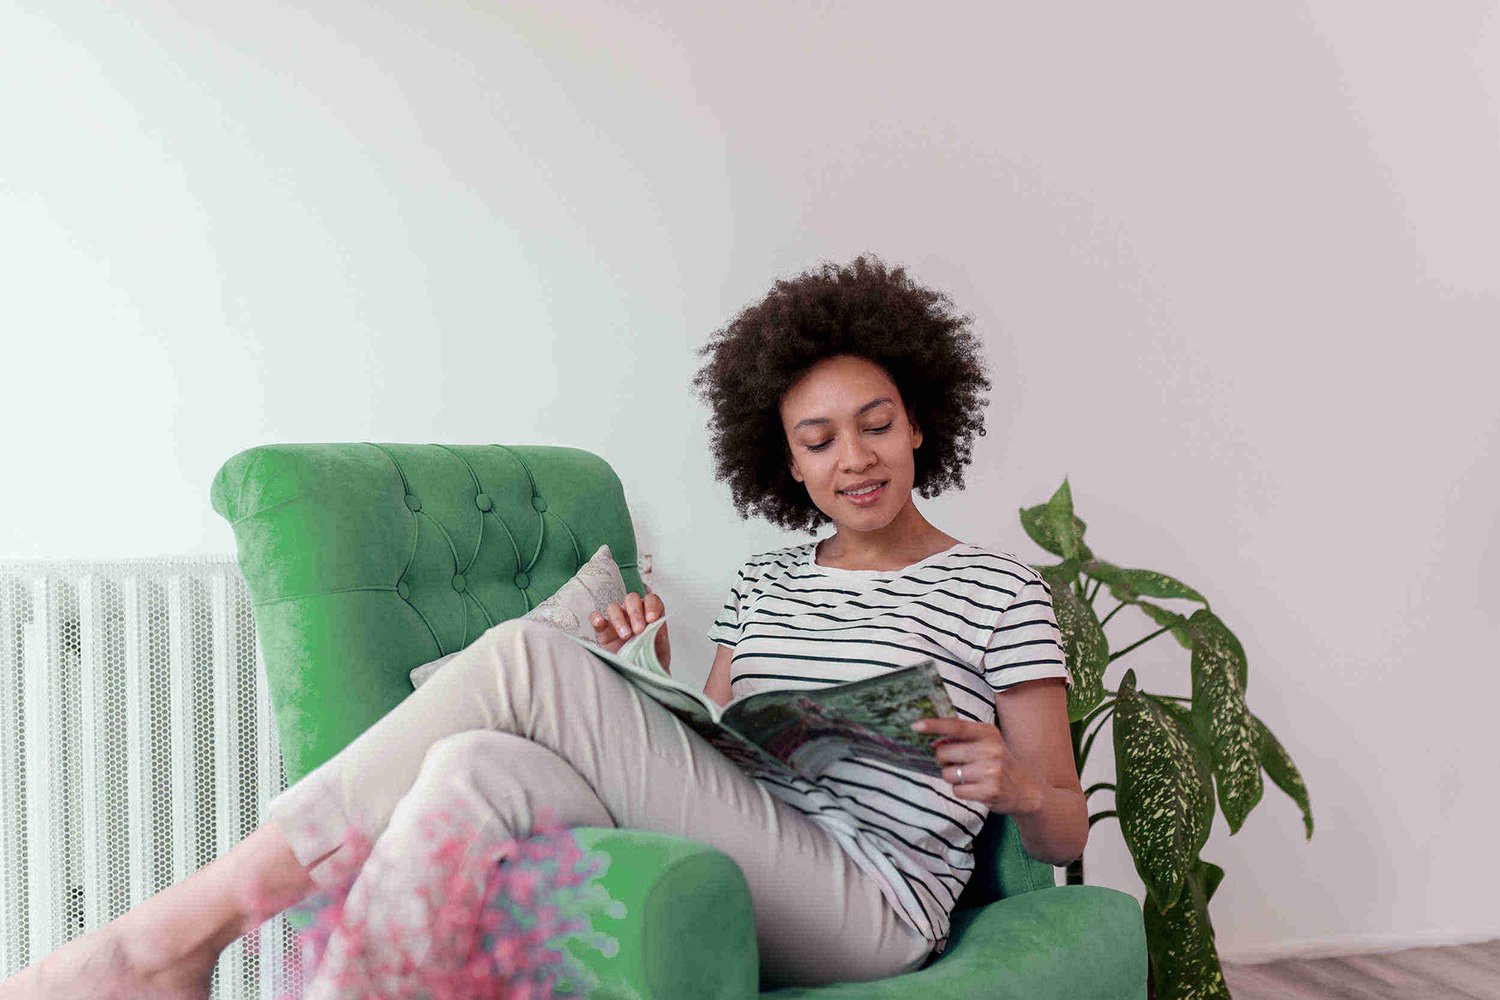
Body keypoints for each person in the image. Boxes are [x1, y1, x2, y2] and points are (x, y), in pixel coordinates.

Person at [0, 254, 1087, 998]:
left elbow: (1065, 830)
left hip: (875, 902)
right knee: (476, 763)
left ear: (921, 422)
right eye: (818, 439)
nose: (852, 458)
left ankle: (169, 940)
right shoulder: (764, 583)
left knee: (528, 658)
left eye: (874, 425)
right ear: (787, 461)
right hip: (764, 846)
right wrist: (643, 678)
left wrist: (1016, 781)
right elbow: (729, 750)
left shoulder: (998, 588)